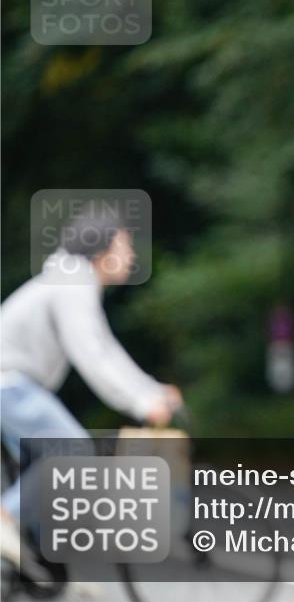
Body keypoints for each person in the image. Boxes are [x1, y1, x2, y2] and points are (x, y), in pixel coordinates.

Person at [0, 211, 183, 567]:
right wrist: (143, 403)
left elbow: (106, 351)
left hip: (15, 384)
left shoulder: (72, 283)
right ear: (101, 249)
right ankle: (5, 519)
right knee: (75, 454)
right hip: (9, 384)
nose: (131, 255)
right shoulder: (72, 285)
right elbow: (92, 358)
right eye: (124, 245)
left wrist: (150, 390)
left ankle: (48, 571)